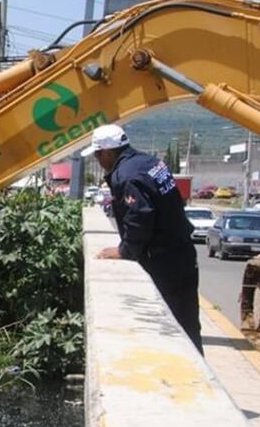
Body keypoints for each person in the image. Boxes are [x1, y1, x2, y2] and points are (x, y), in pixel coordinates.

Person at [83, 124, 203, 354]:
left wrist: (125, 250)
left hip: (164, 260)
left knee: (169, 327)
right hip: (182, 252)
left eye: (98, 155)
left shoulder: (127, 175)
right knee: (188, 323)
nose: (98, 160)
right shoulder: (149, 162)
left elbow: (140, 216)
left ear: (107, 152)